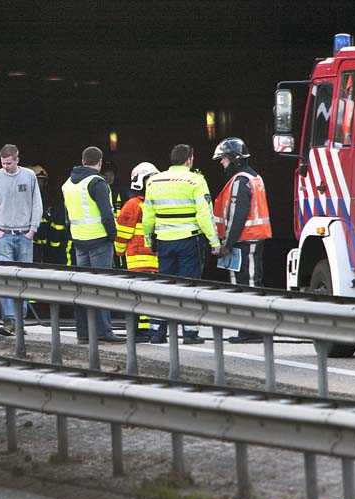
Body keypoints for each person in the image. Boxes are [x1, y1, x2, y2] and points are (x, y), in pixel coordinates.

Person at [143, 144, 221, 345]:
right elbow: (204, 215)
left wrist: (148, 239)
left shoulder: (153, 180)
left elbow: (148, 215)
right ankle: (190, 333)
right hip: (188, 240)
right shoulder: (196, 180)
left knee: (164, 286)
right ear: (189, 160)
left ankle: (157, 332)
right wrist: (214, 241)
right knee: (189, 286)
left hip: (163, 241)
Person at [212, 137, 272, 343]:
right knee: (252, 281)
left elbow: (238, 215)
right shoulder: (255, 177)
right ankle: (251, 329)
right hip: (252, 239)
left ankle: (250, 331)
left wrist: (226, 245)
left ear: (235, 159)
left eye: (224, 159)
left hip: (245, 240)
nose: (222, 163)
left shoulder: (241, 180)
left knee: (245, 284)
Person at [61, 146, 124, 344]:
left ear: (82, 160)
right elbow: (107, 214)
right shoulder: (97, 182)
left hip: (79, 241)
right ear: (99, 162)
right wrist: (113, 235)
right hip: (99, 241)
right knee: (101, 287)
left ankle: (84, 333)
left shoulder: (68, 184)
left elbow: (67, 216)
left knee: (83, 288)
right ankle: (104, 331)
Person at [0, 144, 43, 336]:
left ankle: (19, 321)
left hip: (24, 234)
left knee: (23, 279)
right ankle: (10, 320)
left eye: (9, 163)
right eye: (3, 163)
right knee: (5, 279)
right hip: (4, 235)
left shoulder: (29, 176)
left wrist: (32, 230)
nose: (6, 167)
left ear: (17, 159)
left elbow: (37, 205)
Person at [115, 162, 160, 343]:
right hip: (144, 260)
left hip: (142, 259)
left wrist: (118, 252)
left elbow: (121, 234)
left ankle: (143, 331)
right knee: (143, 297)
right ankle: (140, 331)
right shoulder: (137, 204)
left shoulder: (135, 204)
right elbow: (123, 232)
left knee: (142, 297)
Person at [102, 161, 128, 269]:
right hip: (105, 228)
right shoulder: (100, 189)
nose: (109, 178)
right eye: (106, 175)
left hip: (121, 228)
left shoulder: (121, 190)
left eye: (111, 175)